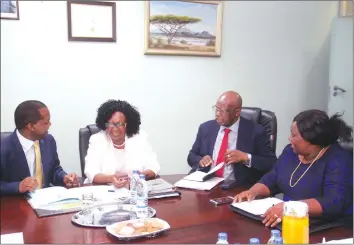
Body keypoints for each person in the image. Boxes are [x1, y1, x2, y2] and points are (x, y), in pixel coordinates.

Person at [234, 110, 353, 227]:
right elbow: (272, 179)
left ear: (311, 139)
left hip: (327, 226)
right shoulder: (290, 152)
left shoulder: (339, 160)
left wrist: (289, 208)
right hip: (289, 221)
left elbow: (333, 202)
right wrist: (252, 192)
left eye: (294, 135)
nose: (289, 138)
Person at [187, 91, 277, 187]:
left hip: (237, 189)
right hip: (207, 185)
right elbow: (191, 156)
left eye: (222, 111)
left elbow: (271, 163)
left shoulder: (255, 132)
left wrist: (246, 157)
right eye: (216, 109)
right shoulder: (206, 128)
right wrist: (201, 160)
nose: (217, 114)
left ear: (237, 112)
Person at [0, 100, 79, 195]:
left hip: (47, 201)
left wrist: (64, 178)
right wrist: (18, 186)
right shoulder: (4, 148)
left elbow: (54, 169)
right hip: (17, 204)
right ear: (31, 126)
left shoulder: (48, 141)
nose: (50, 125)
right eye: (46, 123)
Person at [84, 99, 160, 188]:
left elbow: (153, 166)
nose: (115, 129)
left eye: (120, 124)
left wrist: (143, 175)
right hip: (104, 190)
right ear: (105, 125)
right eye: (111, 124)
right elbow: (91, 172)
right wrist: (110, 178)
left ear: (128, 125)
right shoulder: (97, 139)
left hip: (134, 190)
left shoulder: (139, 138)